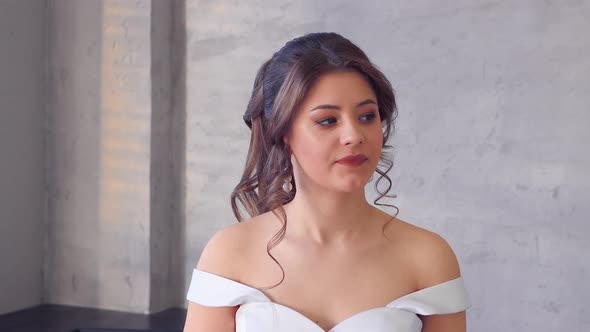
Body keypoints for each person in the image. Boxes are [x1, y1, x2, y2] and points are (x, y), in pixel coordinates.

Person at [183, 32, 469, 332]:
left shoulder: (427, 256)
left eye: (367, 116)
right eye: (328, 121)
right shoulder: (230, 252)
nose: (354, 135)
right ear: (282, 132)